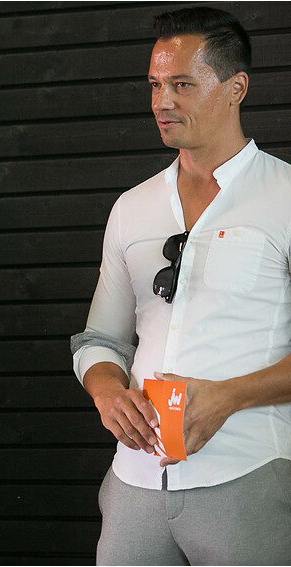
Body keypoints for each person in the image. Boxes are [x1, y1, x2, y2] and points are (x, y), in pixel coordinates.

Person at [71, 7, 291, 565]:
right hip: (134, 482)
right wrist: (106, 392)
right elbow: (98, 340)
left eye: (182, 85)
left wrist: (228, 397)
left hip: (249, 474)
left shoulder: (286, 196)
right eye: (155, 85)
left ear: (236, 88)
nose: (161, 101)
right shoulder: (132, 207)